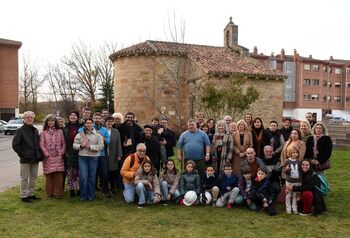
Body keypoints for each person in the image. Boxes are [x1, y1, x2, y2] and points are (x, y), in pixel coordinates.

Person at [12, 111, 43, 203]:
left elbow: (38, 144)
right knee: (24, 178)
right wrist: (23, 154)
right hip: (25, 159)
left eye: (31, 117)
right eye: (27, 117)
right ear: (24, 119)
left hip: (35, 158)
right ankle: (24, 195)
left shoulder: (35, 130)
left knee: (33, 177)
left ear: (33, 119)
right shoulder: (20, 131)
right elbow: (15, 145)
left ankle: (31, 193)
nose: (29, 119)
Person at [79, 112, 110, 197]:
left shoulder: (104, 129)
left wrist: (101, 136)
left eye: (98, 118)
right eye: (95, 118)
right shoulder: (89, 127)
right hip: (91, 154)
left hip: (102, 154)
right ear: (93, 119)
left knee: (103, 172)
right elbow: (80, 130)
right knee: (93, 173)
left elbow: (108, 141)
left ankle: (105, 190)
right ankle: (93, 189)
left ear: (101, 119)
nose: (97, 119)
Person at [73, 117, 104, 201]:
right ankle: (83, 195)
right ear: (85, 124)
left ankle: (91, 195)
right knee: (83, 177)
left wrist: (90, 147)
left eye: (90, 123)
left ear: (93, 124)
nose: (89, 124)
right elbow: (74, 145)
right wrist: (81, 146)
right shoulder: (80, 134)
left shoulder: (98, 135)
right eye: (87, 123)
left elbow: (101, 146)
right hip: (82, 157)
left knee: (92, 177)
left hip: (93, 158)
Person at [39, 114, 66, 199]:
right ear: (46, 122)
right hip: (48, 157)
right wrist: (47, 154)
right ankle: (49, 192)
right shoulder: (43, 132)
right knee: (49, 175)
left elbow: (64, 143)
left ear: (55, 122)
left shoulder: (60, 131)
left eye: (52, 121)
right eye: (49, 121)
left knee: (58, 175)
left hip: (58, 156)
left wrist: (62, 152)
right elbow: (41, 145)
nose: (51, 122)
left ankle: (58, 193)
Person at [63, 110, 82, 197]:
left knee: (78, 172)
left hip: (79, 151)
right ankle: (71, 189)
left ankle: (78, 189)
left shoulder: (81, 127)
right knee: (71, 172)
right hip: (69, 151)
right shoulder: (66, 127)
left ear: (77, 117)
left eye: (74, 115)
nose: (73, 116)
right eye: (71, 115)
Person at [105, 116, 122, 195]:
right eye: (108, 121)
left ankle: (112, 187)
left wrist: (119, 154)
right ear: (105, 122)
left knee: (113, 172)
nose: (109, 123)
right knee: (105, 172)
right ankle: (105, 188)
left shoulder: (116, 131)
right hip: (104, 154)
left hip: (114, 154)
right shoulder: (102, 130)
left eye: (111, 121)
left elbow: (119, 143)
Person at [283, 146, 301, 214]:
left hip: (297, 181)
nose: (295, 154)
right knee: (288, 195)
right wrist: (287, 170)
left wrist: (300, 181)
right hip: (289, 181)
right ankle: (288, 208)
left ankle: (294, 208)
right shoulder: (287, 161)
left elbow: (300, 172)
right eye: (293, 152)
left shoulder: (299, 162)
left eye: (296, 152)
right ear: (290, 153)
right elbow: (284, 170)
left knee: (295, 195)